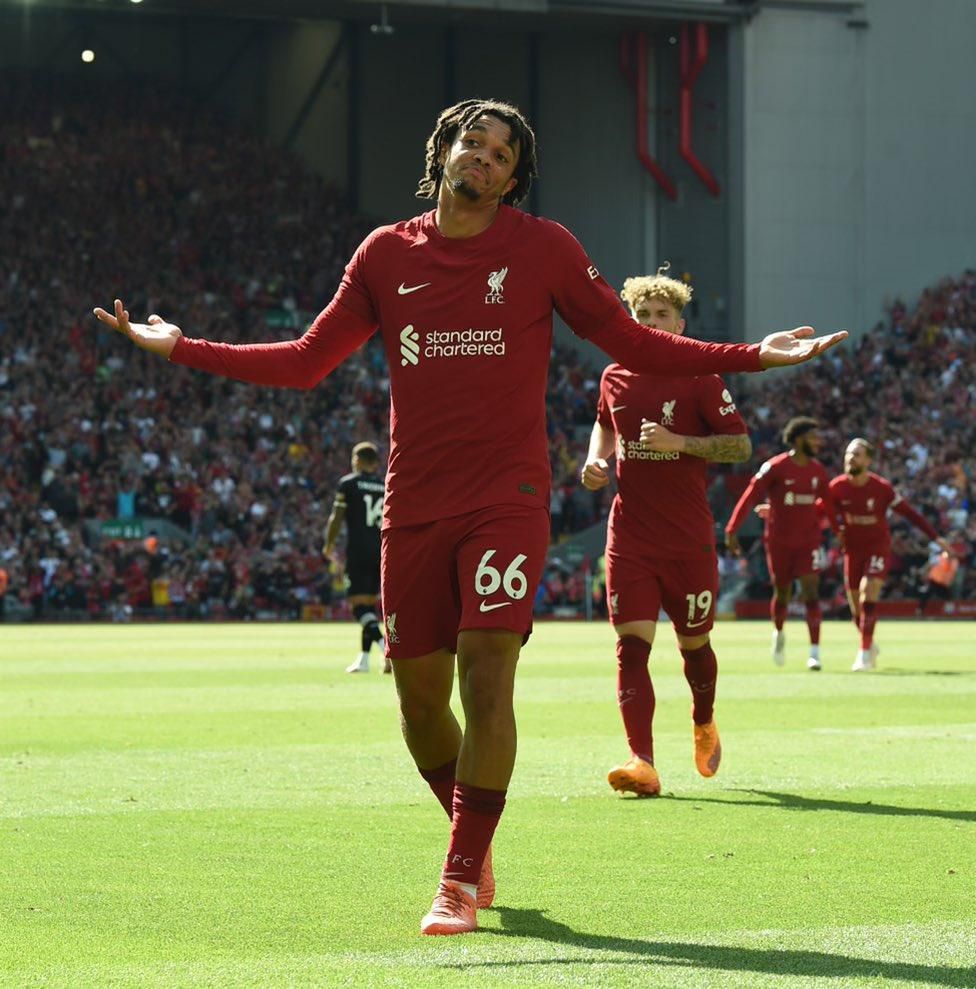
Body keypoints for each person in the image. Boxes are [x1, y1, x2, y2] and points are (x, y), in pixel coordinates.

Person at [94, 98, 846, 936]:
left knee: (487, 673)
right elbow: (307, 362)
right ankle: (472, 832)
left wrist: (752, 354)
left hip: (508, 496)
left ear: (514, 178)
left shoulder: (544, 247)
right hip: (414, 500)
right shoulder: (385, 253)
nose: (483, 160)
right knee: (419, 701)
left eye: (500, 155)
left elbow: (630, 341)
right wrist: (182, 345)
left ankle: (457, 877)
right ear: (444, 151)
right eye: (472, 144)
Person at [581, 266, 752, 797]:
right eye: (642, 316)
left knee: (694, 646)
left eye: (661, 316)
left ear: (679, 325)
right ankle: (642, 761)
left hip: (687, 539)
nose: (651, 323)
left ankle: (703, 720)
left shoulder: (701, 378)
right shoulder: (615, 376)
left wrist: (682, 442)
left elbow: (740, 446)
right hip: (630, 536)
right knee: (631, 647)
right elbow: (606, 423)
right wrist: (595, 459)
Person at [827, 437, 951, 671]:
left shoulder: (881, 488)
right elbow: (818, 509)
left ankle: (863, 654)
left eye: (856, 454)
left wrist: (936, 537)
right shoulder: (837, 487)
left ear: (869, 460)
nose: (850, 457)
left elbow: (910, 514)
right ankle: (870, 643)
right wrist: (778, 511)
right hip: (853, 551)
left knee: (868, 592)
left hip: (877, 548)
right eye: (848, 453)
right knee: (856, 608)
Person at [725, 417, 832, 670]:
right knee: (782, 592)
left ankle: (814, 652)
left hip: (809, 541)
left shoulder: (818, 470)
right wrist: (732, 529)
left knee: (811, 591)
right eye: (813, 436)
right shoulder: (775, 467)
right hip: (779, 541)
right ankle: (779, 633)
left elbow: (828, 504)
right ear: (797, 439)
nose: (819, 441)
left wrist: (835, 528)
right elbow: (751, 495)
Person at [322, 442, 389, 674]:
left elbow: (336, 517)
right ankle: (363, 660)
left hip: (359, 551)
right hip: (381, 551)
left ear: (358, 460)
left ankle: (386, 650)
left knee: (358, 607)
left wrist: (329, 545)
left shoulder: (349, 483)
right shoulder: (385, 485)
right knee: (369, 605)